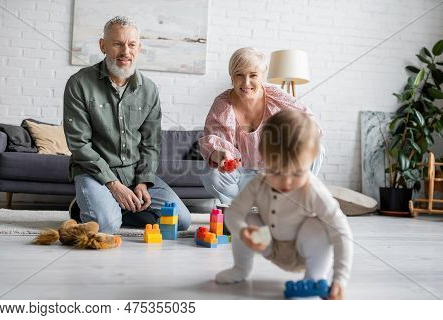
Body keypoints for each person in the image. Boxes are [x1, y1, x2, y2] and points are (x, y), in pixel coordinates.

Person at [63, 16, 191, 234]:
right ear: (103, 46)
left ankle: (109, 208)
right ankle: (94, 207)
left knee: (181, 221)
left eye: (132, 44)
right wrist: (113, 185)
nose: (125, 51)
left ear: (139, 48)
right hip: (95, 173)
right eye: (117, 44)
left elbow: (151, 144)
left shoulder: (149, 89)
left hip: (134, 173)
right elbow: (79, 145)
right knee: (106, 226)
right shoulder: (79, 84)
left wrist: (143, 183)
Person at [215, 109, 353, 300]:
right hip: (269, 245)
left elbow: (341, 231)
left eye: (297, 173)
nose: (287, 182)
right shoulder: (259, 183)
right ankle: (240, 269)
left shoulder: (313, 190)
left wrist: (340, 279)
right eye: (277, 172)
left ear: (310, 162)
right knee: (249, 218)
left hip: (302, 252)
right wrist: (241, 232)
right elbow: (233, 213)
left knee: (319, 227)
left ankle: (314, 279)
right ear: (265, 162)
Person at [198, 47, 324, 205]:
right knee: (211, 173)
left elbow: (310, 124)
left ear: (262, 76)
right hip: (240, 178)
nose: (246, 82)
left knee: (315, 148)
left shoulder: (277, 97)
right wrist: (221, 154)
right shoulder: (223, 104)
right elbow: (213, 141)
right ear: (231, 76)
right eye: (239, 75)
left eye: (253, 75)